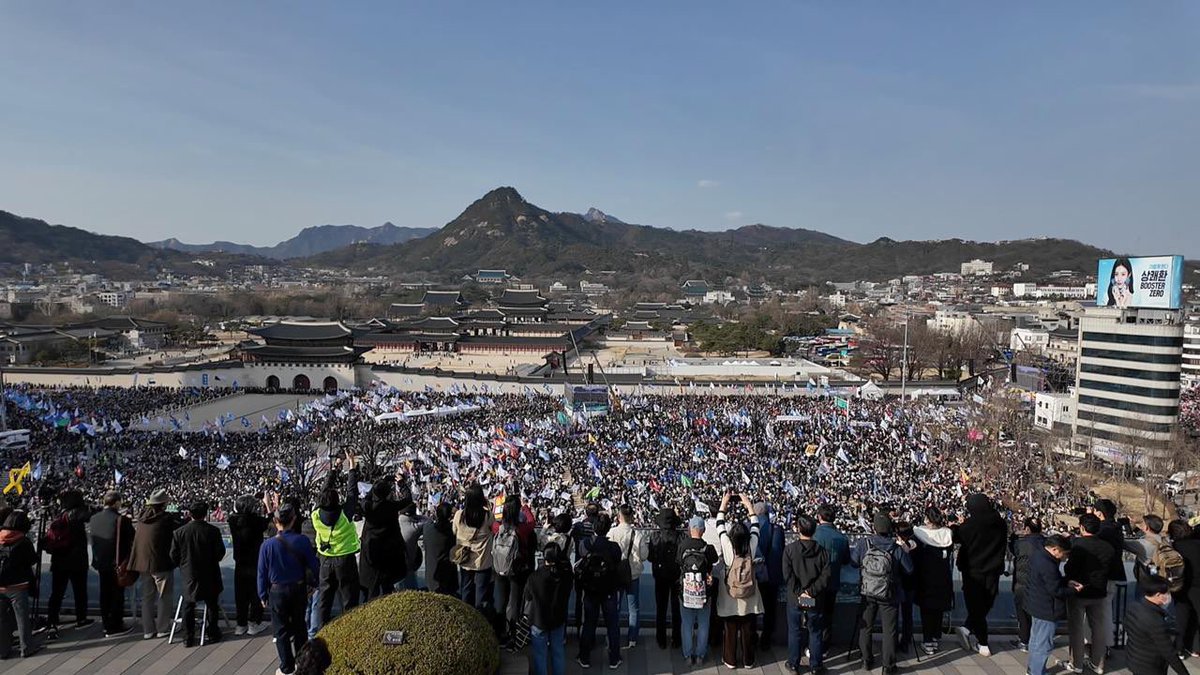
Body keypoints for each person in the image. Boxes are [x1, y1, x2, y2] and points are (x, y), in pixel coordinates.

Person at [258, 502, 320, 675]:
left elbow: (262, 572)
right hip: (298, 589)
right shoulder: (302, 541)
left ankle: (286, 667)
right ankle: (302, 663)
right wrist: (315, 584)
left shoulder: (267, 545)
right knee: (300, 627)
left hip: (277, 591)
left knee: (281, 631)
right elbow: (314, 566)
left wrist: (262, 594)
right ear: (294, 520)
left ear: (276, 521)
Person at [851, 513, 914, 674]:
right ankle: (888, 666)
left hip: (868, 591)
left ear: (874, 528)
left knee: (866, 627)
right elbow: (909, 569)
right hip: (890, 593)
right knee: (889, 630)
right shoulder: (896, 547)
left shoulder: (864, 543)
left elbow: (854, 562)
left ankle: (866, 659)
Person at [952, 493, 1008, 657]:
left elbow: (956, 537)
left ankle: (982, 642)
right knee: (986, 603)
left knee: (975, 606)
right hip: (993, 570)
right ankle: (966, 628)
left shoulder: (971, 524)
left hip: (973, 571)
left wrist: (955, 526)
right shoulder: (1000, 523)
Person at [311, 457, 361, 624]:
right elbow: (352, 492)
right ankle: (348, 629)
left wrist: (334, 470)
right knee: (348, 599)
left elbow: (323, 493)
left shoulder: (315, 514)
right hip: (345, 560)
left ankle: (321, 631)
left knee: (324, 600)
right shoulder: (345, 514)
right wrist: (351, 467)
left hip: (324, 559)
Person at [716, 492, 762, 669]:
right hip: (749, 590)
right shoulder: (752, 545)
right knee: (748, 628)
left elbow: (720, 524)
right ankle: (748, 660)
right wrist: (748, 505)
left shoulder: (727, 545)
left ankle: (730, 660)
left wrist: (724, 503)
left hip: (730, 590)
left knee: (730, 628)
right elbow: (756, 525)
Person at [170, 501, 227, 646]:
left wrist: (183, 566)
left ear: (190, 514)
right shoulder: (213, 531)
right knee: (212, 604)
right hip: (210, 573)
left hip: (189, 573)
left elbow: (173, 555)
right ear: (205, 514)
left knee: (189, 605)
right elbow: (220, 553)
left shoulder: (179, 532)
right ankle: (212, 633)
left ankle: (187, 637)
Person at [1065, 513, 1116, 673]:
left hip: (1079, 591)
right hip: (1099, 591)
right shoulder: (1107, 547)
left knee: (1077, 628)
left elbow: (1069, 568)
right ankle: (1098, 663)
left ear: (1082, 527)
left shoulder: (1078, 545)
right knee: (1098, 628)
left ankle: (1077, 663)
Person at [128, 488, 180, 639]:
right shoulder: (165, 519)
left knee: (147, 597)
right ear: (163, 504)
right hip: (160, 563)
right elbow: (178, 529)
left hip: (143, 563)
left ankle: (148, 630)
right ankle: (163, 628)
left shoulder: (141, 518)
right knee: (164, 595)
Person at [782, 514, 831, 674]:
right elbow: (826, 576)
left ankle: (793, 664)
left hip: (796, 599)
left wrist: (800, 593)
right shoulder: (823, 552)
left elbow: (788, 576)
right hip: (814, 599)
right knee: (815, 632)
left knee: (795, 631)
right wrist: (810, 592)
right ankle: (816, 666)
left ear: (798, 529)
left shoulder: (790, 550)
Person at [576, 512, 623, 670]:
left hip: (590, 589)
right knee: (612, 625)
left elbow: (581, 556)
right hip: (609, 589)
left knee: (589, 623)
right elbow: (618, 560)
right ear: (609, 528)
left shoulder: (585, 544)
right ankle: (614, 658)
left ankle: (584, 657)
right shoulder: (614, 547)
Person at [43, 488, 93, 637]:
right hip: (77, 561)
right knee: (80, 591)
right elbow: (91, 514)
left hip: (59, 560)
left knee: (57, 593)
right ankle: (81, 619)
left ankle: (52, 620)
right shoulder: (78, 513)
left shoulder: (59, 515)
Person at [87, 490, 135, 637]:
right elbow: (133, 540)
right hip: (117, 564)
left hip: (101, 563)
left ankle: (106, 623)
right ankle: (115, 625)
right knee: (116, 594)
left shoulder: (94, 519)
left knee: (104, 593)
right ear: (117, 503)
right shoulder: (122, 520)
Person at [1026, 535, 1075, 675]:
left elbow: (1051, 582)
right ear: (1055, 549)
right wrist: (1072, 590)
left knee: (1035, 641)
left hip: (1037, 605)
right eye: (1064, 554)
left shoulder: (1039, 555)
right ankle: (1037, 672)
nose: (1065, 557)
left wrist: (1065, 582)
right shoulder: (1048, 564)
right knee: (1043, 645)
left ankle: (1033, 669)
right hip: (1047, 609)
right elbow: (1056, 590)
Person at [524, 541, 573, 675]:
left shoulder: (535, 577)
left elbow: (528, 597)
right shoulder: (566, 575)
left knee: (540, 654)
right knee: (558, 651)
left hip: (539, 620)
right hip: (558, 618)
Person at [493, 494, 536, 647]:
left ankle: (499, 634)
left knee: (500, 602)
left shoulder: (498, 527)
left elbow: (492, 523)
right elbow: (532, 522)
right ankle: (512, 635)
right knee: (513, 602)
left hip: (499, 569)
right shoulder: (522, 529)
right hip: (517, 570)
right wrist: (525, 506)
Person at [1125, 576, 1189, 675]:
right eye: (1167, 593)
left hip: (1134, 661)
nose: (1169, 596)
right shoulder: (1154, 620)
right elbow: (1169, 653)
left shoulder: (1133, 606)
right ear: (1158, 595)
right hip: (1151, 667)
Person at [912, 507, 954, 655]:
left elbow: (914, 555)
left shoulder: (919, 534)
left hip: (925, 577)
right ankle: (935, 637)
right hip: (943, 577)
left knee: (927, 610)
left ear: (927, 519)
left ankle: (927, 640)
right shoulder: (947, 534)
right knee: (938, 609)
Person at [678, 515, 719, 666]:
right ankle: (701, 655)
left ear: (689, 529)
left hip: (686, 592)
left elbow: (679, 563)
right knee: (703, 624)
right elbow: (714, 561)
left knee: (687, 624)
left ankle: (688, 655)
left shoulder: (682, 546)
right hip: (704, 592)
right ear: (703, 530)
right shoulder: (708, 548)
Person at [358, 477, 407, 600]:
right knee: (387, 587)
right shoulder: (391, 506)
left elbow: (364, 499)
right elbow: (408, 499)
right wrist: (402, 484)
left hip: (371, 550)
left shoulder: (368, 507)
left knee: (372, 589)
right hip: (389, 551)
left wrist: (375, 486)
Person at [228, 494, 270, 636]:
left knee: (240, 594)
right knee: (255, 593)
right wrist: (268, 504)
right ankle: (254, 623)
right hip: (255, 562)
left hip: (240, 562)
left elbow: (235, 513)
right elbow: (269, 521)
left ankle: (241, 624)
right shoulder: (257, 522)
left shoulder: (232, 521)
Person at [0, 509, 39, 659]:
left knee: (1, 618)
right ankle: (26, 647)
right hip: (18, 585)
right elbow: (32, 561)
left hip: (0, 584)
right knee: (21, 616)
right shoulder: (23, 541)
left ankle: (2, 650)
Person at [610, 504, 648, 649]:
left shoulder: (612, 533)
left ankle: (613, 636)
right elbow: (644, 555)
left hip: (616, 575)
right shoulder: (638, 535)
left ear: (619, 516)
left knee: (615, 607)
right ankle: (632, 639)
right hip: (633, 575)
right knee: (634, 609)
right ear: (632, 517)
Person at [452, 484, 495, 611]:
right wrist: (487, 506)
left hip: (465, 559)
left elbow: (454, 531)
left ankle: (466, 615)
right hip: (482, 561)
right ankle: (480, 618)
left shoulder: (459, 515)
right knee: (481, 593)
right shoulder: (487, 516)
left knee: (465, 589)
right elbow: (493, 529)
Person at [647, 507, 684, 650]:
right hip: (676, 576)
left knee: (661, 608)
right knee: (676, 609)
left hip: (660, 576)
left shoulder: (655, 536)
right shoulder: (681, 536)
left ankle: (661, 639)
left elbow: (650, 558)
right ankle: (676, 639)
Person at [813, 503, 849, 649]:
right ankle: (824, 647)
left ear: (819, 517)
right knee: (828, 615)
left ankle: (813, 646)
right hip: (832, 585)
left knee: (813, 614)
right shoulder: (842, 538)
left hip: (813, 585)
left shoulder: (814, 535)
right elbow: (846, 560)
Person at [1094, 499, 1126, 657]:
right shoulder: (1117, 527)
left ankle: (1099, 646)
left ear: (1099, 513)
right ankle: (1106, 644)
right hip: (1114, 574)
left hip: (1102, 575)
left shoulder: (1102, 531)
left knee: (1099, 611)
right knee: (1106, 610)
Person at [1009, 517, 1045, 651]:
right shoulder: (1046, 543)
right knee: (1037, 615)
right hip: (1041, 584)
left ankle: (1024, 641)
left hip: (1022, 583)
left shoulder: (1021, 544)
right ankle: (1037, 640)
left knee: (1023, 614)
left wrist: (1013, 536)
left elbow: (1012, 549)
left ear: (1027, 529)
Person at [754, 501, 786, 650]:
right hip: (772, 577)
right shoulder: (778, 530)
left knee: (752, 607)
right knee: (770, 609)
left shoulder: (749, 529)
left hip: (753, 575)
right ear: (767, 513)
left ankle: (751, 636)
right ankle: (766, 639)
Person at [1167, 519, 1200, 657]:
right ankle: (1195, 647)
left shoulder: (1174, 547)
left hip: (1180, 586)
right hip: (1198, 586)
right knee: (1197, 616)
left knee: (1181, 617)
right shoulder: (1198, 544)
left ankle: (1179, 648)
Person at [423, 501, 459, 596]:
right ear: (451, 516)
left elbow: (425, 520)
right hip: (448, 577)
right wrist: (457, 513)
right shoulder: (452, 532)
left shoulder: (427, 528)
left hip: (431, 577)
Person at [398, 492, 425, 591]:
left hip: (394, 564)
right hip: (409, 564)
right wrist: (416, 517)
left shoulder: (394, 521)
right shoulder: (415, 527)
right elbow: (429, 521)